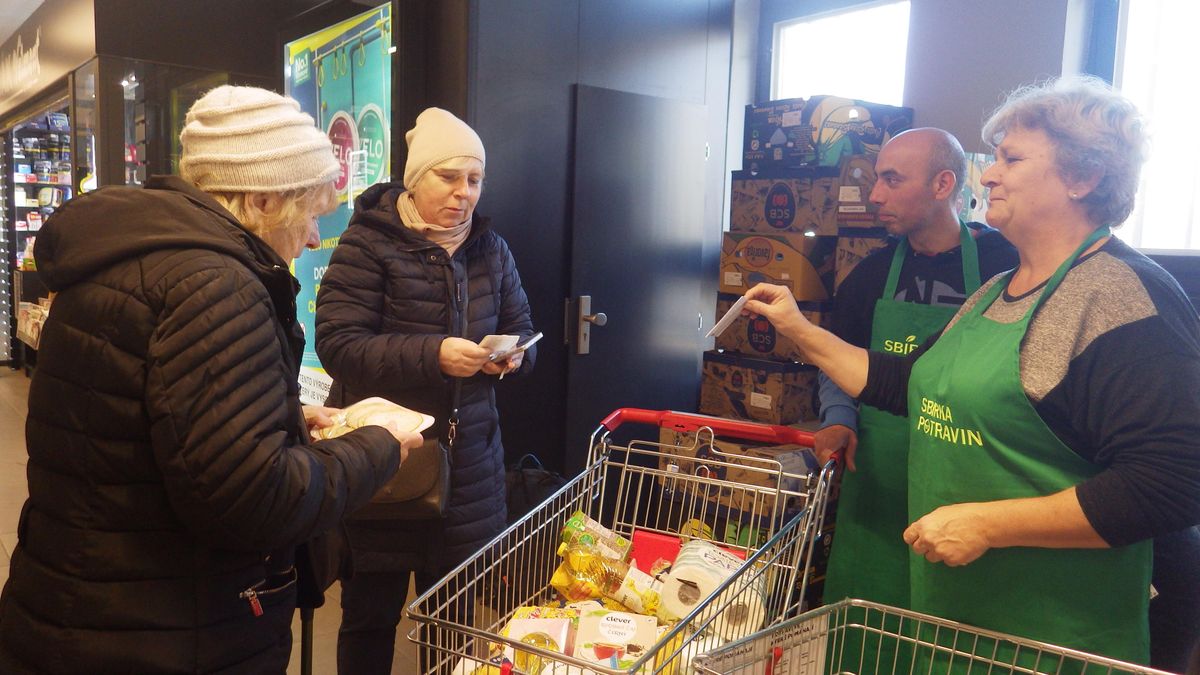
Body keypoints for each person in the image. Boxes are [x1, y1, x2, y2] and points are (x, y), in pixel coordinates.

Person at [743, 75, 1200, 666]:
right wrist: (798, 328)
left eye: (1011, 158)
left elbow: (1173, 483)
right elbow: (906, 382)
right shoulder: (994, 292)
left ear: (1082, 178)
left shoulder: (1121, 297)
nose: (988, 174)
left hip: (1048, 637)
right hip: (959, 621)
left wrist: (990, 524)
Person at [0, 85, 423, 674]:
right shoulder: (214, 285)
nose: (312, 239)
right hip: (167, 632)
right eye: (310, 216)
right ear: (261, 199)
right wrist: (377, 446)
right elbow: (254, 502)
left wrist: (280, 418)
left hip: (79, 607)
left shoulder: (132, 257)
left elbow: (145, 423)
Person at [315, 107, 536, 674]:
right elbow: (339, 343)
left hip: (471, 469)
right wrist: (434, 354)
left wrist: (511, 358)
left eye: (475, 179)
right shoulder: (366, 245)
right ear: (416, 177)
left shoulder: (493, 249)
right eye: (449, 177)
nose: (464, 194)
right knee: (369, 618)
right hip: (386, 461)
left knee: (455, 623)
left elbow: (524, 331)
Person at [817, 128, 1018, 609]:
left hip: (968, 482)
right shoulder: (869, 275)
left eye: (891, 180)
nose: (875, 195)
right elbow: (838, 359)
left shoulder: (1006, 268)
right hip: (878, 481)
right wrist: (838, 418)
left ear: (942, 184)